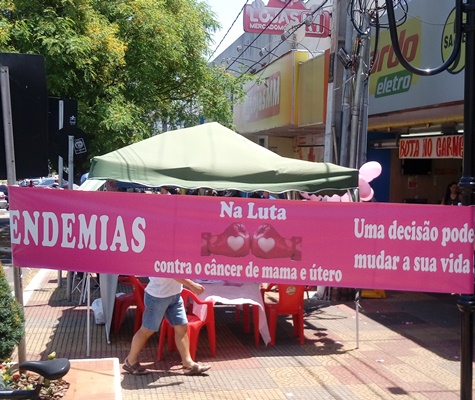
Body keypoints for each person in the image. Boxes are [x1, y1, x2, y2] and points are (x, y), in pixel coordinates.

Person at [123, 277, 211, 376]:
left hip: (175, 295)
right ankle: (130, 361)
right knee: (147, 329)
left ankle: (188, 364)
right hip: (157, 297)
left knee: (182, 327)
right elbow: (172, 273)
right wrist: (192, 285)